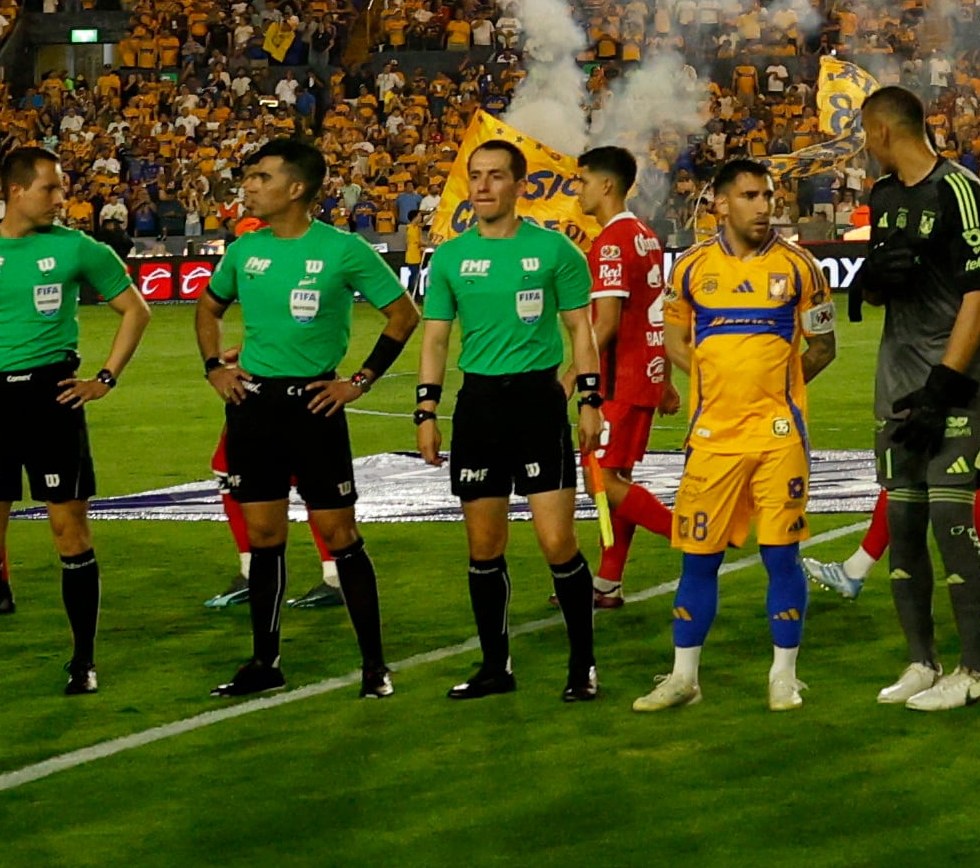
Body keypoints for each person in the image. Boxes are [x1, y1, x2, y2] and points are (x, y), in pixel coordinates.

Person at [0, 146, 146, 698]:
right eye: (52, 188)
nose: (62, 199)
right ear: (16, 191)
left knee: (70, 533)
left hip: (53, 402)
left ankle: (83, 661)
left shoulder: (76, 248)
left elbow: (136, 308)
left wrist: (105, 378)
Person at [194, 133, 420, 700]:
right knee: (265, 538)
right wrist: (213, 369)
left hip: (314, 408)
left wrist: (359, 381)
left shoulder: (344, 250)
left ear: (296, 188)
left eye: (261, 177)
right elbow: (208, 305)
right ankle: (265, 662)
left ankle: (375, 664)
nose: (248, 185)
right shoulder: (245, 249)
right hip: (253, 406)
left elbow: (402, 314)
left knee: (340, 535)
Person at [634, 154, 834, 712]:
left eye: (768, 196)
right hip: (713, 439)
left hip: (778, 439)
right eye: (750, 196)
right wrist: (710, 381)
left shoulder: (800, 268)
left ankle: (783, 676)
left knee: (781, 556)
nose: (764, 206)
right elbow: (673, 339)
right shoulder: (692, 269)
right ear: (719, 203)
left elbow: (824, 346)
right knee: (698, 558)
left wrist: (780, 387)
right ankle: (684, 678)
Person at [412, 132, 605, 702]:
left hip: (537, 405)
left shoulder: (554, 252)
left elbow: (581, 331)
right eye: (476, 176)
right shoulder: (448, 257)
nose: (483, 186)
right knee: (483, 547)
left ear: (522, 186)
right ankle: (496, 667)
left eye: (496, 176)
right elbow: (436, 341)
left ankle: (582, 665)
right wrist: (426, 409)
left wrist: (589, 398)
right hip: (479, 407)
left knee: (556, 543)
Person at [842, 83, 980, 711]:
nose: (866, 144)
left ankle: (978, 670)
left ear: (883, 131)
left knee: (949, 516)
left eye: (866, 132)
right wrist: (872, 282)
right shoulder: (883, 196)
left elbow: (979, 294)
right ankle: (921, 662)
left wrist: (944, 383)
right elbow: (892, 287)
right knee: (906, 522)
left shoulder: (959, 188)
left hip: (958, 386)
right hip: (897, 384)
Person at [575, 143, 688, 606]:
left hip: (618, 380)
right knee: (613, 476)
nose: (576, 190)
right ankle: (607, 582)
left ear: (606, 185)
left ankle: (689, 537)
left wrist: (570, 380)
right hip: (643, 374)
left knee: (601, 480)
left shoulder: (612, 241)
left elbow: (607, 324)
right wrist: (662, 381)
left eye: (582, 181)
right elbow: (650, 313)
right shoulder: (644, 234)